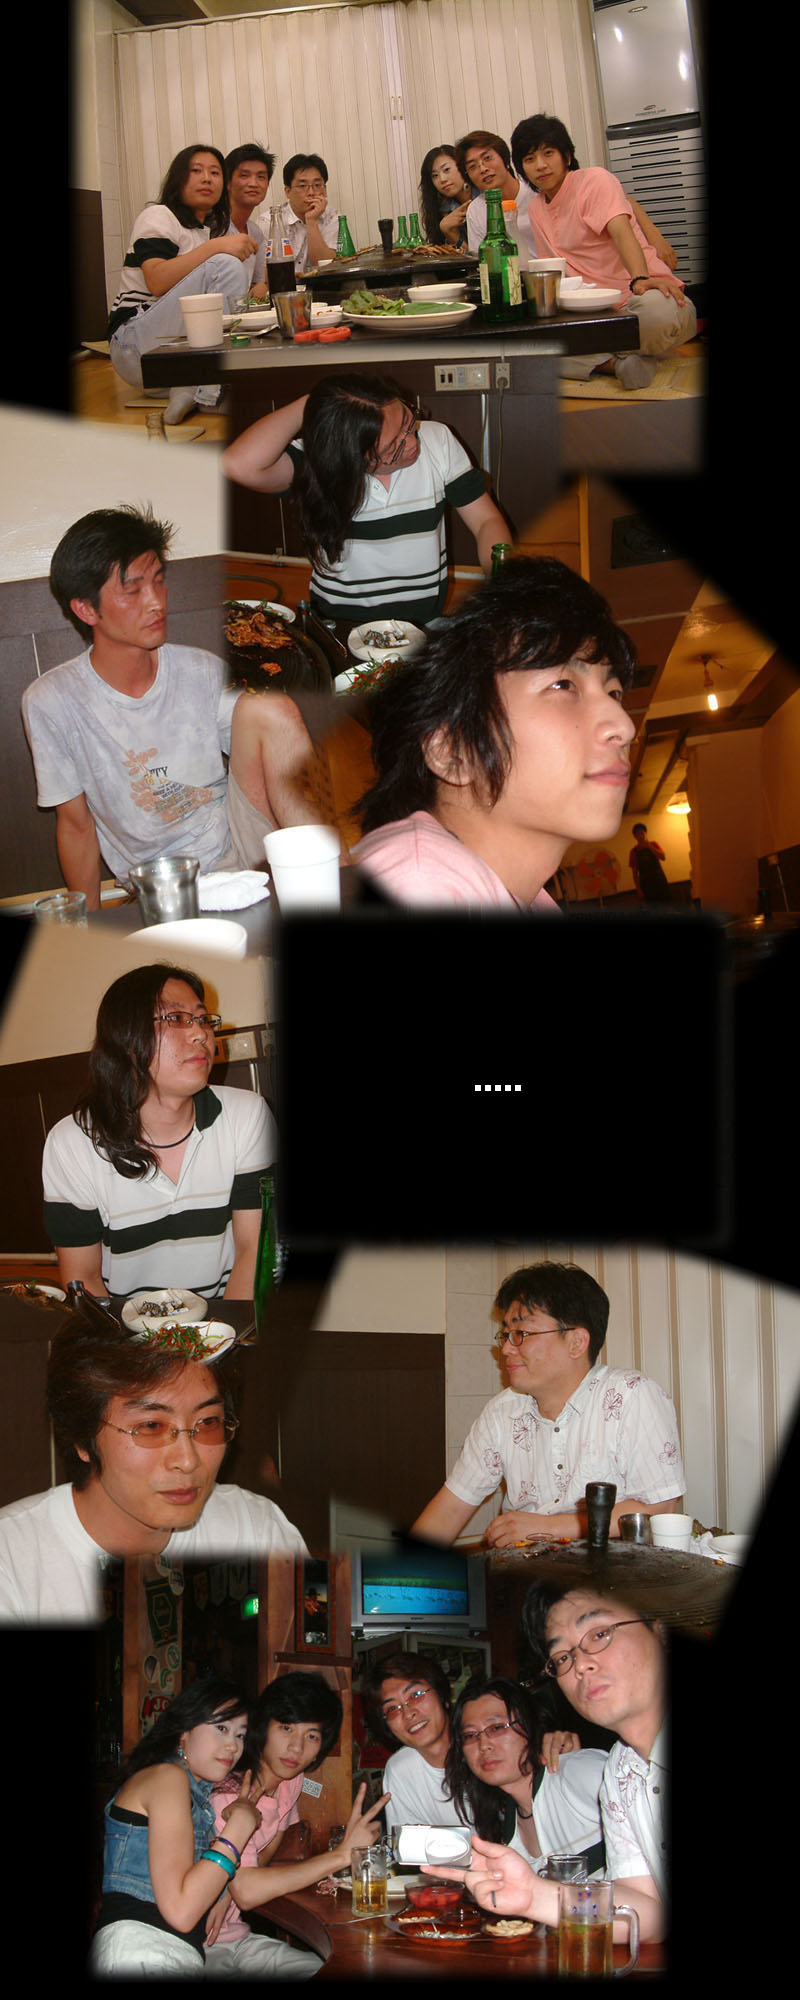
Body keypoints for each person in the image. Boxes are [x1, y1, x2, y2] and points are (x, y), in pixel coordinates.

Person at [21, 503, 320, 905]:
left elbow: (271, 756)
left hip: (239, 849)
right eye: (133, 589)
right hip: (158, 882)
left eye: (159, 581)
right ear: (86, 609)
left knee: (272, 709)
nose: (156, 602)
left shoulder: (202, 669)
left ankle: (327, 878)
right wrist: (88, 927)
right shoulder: (51, 701)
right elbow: (75, 827)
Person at [349, 555, 637, 909]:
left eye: (614, 693)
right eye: (563, 685)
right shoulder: (418, 882)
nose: (624, 726)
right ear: (453, 751)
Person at [0, 1312, 307, 1624]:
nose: (187, 1460)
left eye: (207, 1422)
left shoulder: (255, 1530)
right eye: (151, 1426)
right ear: (82, 1438)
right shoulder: (11, 1558)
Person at [428, 1580, 667, 1940]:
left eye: (599, 1634)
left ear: (659, 1628)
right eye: (563, 1657)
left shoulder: (584, 1770)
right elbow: (647, 1915)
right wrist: (534, 1896)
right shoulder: (621, 1772)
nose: (580, 1665)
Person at [42, 963, 275, 1300]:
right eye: (177, 1018)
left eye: (203, 1019)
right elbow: (84, 1279)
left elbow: (253, 1252)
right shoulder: (73, 1143)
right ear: (126, 1038)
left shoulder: (246, 1116)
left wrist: (226, 1331)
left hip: (226, 1320)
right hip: (123, 1326)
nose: (201, 1034)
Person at [410, 1261, 685, 1547]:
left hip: (615, 1570)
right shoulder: (502, 1413)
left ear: (576, 1342)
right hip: (528, 1568)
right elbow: (451, 1508)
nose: (506, 1348)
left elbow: (660, 1507)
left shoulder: (631, 1396)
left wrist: (549, 1528)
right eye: (506, 1334)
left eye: (522, 1334)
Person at [222, 375, 510, 631]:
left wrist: (502, 580)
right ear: (348, 453)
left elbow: (486, 521)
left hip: (423, 624)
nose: (412, 443)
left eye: (409, 423)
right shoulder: (319, 463)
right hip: (339, 627)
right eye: (393, 446)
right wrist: (314, 403)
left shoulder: (438, 440)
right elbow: (237, 464)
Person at [206, 1671, 388, 1976]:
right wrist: (342, 1855)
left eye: (312, 1736)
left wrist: (228, 1884)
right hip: (197, 1944)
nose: (296, 1748)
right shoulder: (231, 1793)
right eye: (286, 1728)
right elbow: (248, 1892)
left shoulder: (291, 1780)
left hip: (236, 1937)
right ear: (262, 1726)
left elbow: (262, 1860)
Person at [90, 1677, 262, 1975]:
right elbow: (181, 1911)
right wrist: (241, 1826)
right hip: (142, 1947)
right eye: (222, 1728)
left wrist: (223, 1893)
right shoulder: (167, 1778)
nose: (233, 1745)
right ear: (185, 1730)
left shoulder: (193, 1797)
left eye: (240, 1735)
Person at [510, 114, 696, 391]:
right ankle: (619, 363)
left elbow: (621, 231)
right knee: (524, 341)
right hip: (593, 313)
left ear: (567, 156)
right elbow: (557, 269)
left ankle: (599, 356)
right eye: (529, 159)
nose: (540, 165)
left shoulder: (594, 180)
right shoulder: (536, 208)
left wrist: (640, 279)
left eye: (548, 153)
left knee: (657, 315)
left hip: (641, 300)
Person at [106, 144, 260, 425]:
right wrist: (216, 247)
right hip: (134, 345)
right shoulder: (159, 215)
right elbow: (157, 281)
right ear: (178, 179)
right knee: (225, 264)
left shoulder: (202, 233)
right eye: (196, 171)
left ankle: (189, 388)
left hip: (166, 363)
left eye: (215, 173)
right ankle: (209, 394)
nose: (206, 179)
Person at [362, 1650, 577, 1832]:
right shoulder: (401, 1770)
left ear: (443, 1696)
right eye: (392, 1708)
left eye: (416, 1694)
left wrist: (556, 1746)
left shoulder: (490, 1749)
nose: (409, 1713)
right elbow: (410, 1852)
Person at [445, 1673, 607, 1874]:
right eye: (470, 1735)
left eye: (497, 1728)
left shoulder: (577, 1772)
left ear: (530, 1725)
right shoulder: (504, 1825)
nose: (483, 1744)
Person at [456, 129, 538, 259]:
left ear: (506, 161)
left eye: (487, 158)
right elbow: (482, 260)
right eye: (472, 166)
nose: (483, 169)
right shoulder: (476, 210)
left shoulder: (535, 192)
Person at [224, 142, 276, 300]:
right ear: (227, 182)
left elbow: (257, 283)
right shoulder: (213, 226)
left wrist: (260, 287)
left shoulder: (255, 232)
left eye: (261, 177)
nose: (253, 184)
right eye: (244, 176)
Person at [275, 153, 340, 272]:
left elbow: (328, 268)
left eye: (317, 185)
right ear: (288, 191)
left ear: (325, 190)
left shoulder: (333, 218)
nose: (311, 192)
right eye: (302, 186)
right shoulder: (271, 221)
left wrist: (311, 220)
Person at [418, 146, 473, 247]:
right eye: (435, 175)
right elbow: (466, 254)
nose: (442, 179)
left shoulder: (483, 195)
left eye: (446, 169)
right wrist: (447, 231)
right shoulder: (443, 209)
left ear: (461, 165)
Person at [629, 822, 671, 903]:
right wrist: (639, 890)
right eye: (638, 834)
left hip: (660, 880)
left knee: (667, 905)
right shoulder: (633, 851)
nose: (641, 836)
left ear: (646, 833)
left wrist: (649, 846)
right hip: (646, 884)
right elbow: (634, 873)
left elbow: (663, 857)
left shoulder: (653, 844)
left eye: (642, 833)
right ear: (635, 836)